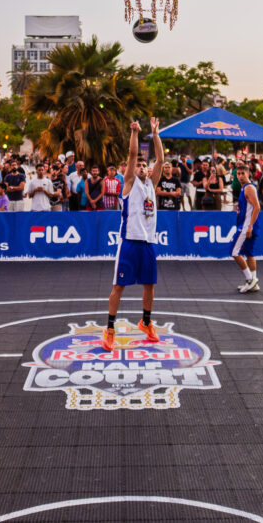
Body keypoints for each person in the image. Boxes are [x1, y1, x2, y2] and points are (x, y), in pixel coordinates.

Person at [102, 119, 165, 351]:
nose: (141, 166)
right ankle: (109, 328)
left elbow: (160, 160)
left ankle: (146, 322)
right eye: (137, 164)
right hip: (129, 242)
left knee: (150, 284)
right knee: (119, 286)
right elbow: (131, 153)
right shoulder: (128, 183)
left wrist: (155, 134)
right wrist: (135, 132)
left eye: (143, 165)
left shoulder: (151, 183)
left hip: (147, 243)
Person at [231, 164, 262, 294]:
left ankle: (250, 280)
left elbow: (257, 207)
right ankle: (253, 282)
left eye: (243, 173)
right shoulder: (245, 188)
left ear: (248, 174)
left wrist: (249, 226)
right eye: (238, 174)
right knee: (249, 253)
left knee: (234, 252)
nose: (240, 176)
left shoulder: (248, 188)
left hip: (247, 226)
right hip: (248, 225)